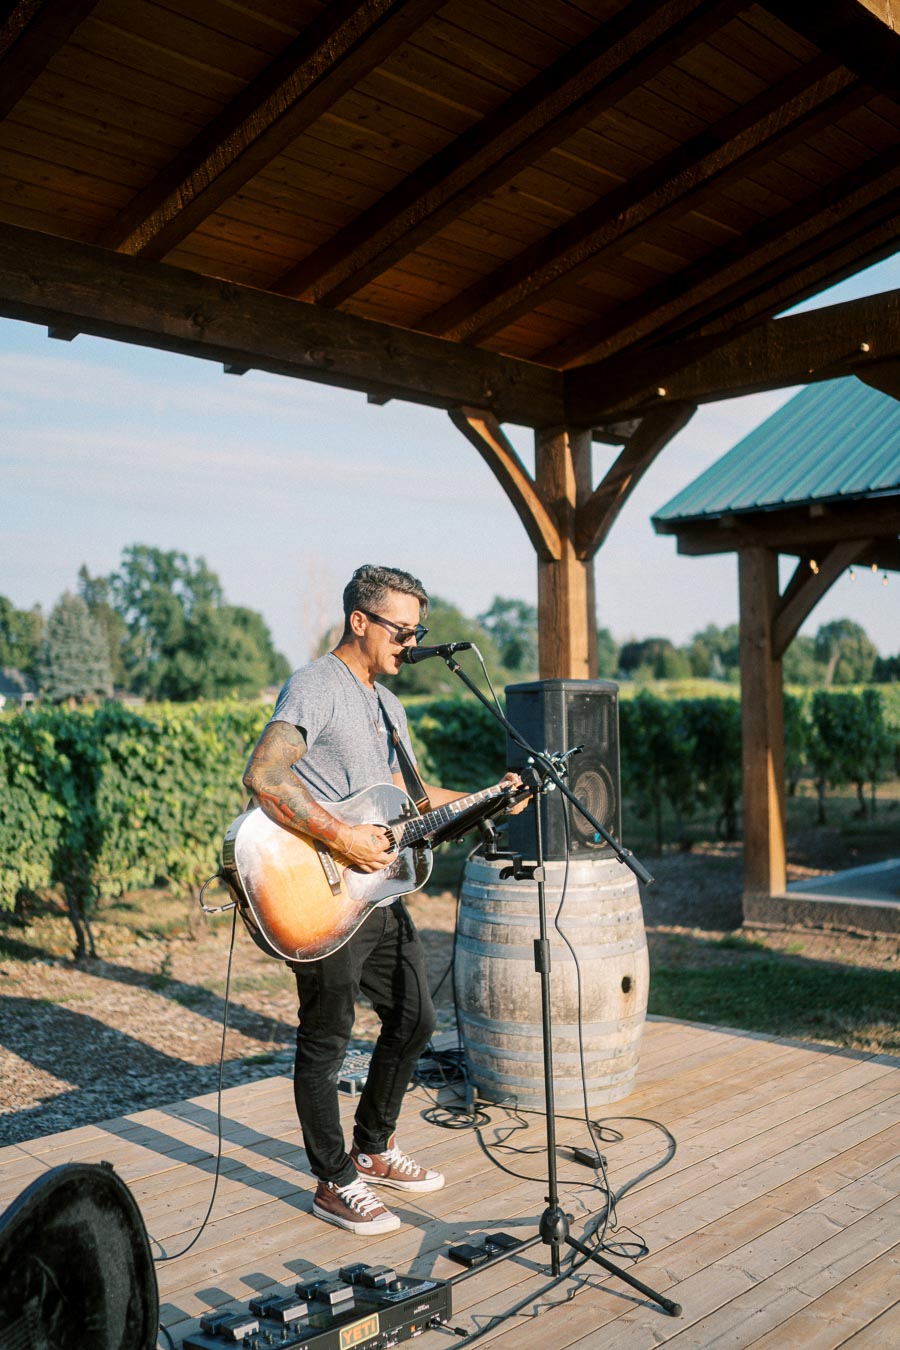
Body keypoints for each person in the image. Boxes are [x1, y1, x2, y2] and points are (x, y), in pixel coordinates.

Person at [242, 564, 523, 1235]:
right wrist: (340, 834)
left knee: (416, 1020)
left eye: (419, 629)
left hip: (377, 894)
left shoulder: (388, 706)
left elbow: (416, 805)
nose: (413, 641)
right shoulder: (316, 685)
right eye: (403, 628)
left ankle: (372, 1147)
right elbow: (264, 773)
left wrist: (496, 795)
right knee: (327, 1039)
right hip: (320, 891)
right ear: (361, 621)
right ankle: (332, 1181)